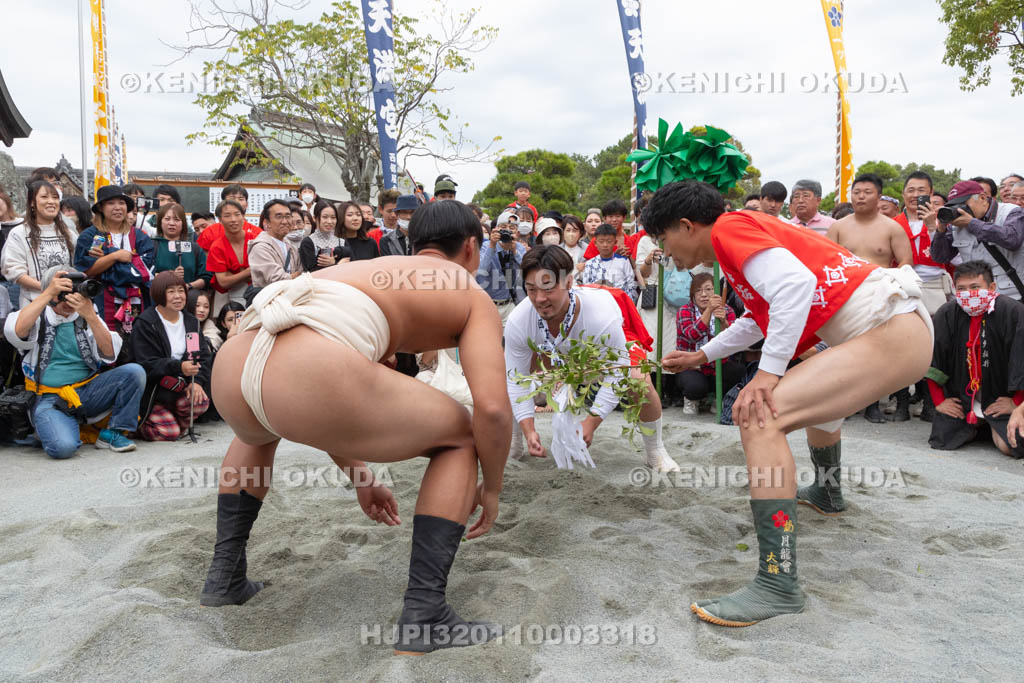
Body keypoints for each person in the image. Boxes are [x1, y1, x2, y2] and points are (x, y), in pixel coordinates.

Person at [197, 199, 512, 656]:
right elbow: (494, 410)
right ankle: (425, 615)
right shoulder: (466, 288)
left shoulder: (364, 268)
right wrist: (493, 487)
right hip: (310, 366)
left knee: (257, 434)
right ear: (470, 248)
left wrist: (361, 475)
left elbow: (308, 388)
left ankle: (223, 577)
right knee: (462, 434)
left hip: (235, 363)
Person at [649, 180, 932, 628]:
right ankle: (827, 491)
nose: (666, 254)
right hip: (895, 328)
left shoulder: (728, 230)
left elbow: (795, 287)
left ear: (685, 226)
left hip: (890, 330)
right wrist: (703, 354)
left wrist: (767, 374)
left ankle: (778, 583)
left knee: (759, 414)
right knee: (814, 397)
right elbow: (759, 319)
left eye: (663, 240)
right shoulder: (745, 231)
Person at [503, 245, 680, 472]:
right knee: (504, 371)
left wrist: (591, 423)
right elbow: (515, 379)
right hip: (554, 355)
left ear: (568, 282)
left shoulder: (600, 314)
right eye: (531, 289)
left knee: (637, 379)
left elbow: (618, 372)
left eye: (548, 288)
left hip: (603, 355)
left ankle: (655, 451)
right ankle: (516, 441)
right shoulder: (520, 319)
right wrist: (529, 430)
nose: (539, 299)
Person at [4, 266, 146, 457]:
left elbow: (110, 352)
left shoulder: (87, 314)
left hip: (88, 391)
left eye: (75, 291)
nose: (70, 297)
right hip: (49, 397)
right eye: (64, 291)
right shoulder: (37, 313)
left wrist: (90, 315)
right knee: (63, 448)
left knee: (134, 372)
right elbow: (17, 331)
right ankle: (51, 425)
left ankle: (114, 432)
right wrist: (48, 294)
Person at [827, 173, 915, 422]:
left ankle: (874, 402)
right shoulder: (839, 227)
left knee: (880, 350)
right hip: (847, 295)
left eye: (867, 192)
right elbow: (827, 262)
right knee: (849, 350)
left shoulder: (892, 227)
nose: (861, 196)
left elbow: (906, 264)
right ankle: (850, 401)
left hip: (881, 293)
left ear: (879, 196)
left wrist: (890, 286)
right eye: (856, 192)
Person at [926, 261, 1024, 457]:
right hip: (963, 397)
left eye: (975, 287)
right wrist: (939, 401)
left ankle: (991, 426)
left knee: (1013, 445)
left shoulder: (1013, 312)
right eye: (961, 289)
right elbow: (934, 359)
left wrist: (1016, 402)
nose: (969, 294)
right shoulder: (946, 313)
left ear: (992, 288)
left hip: (1001, 397)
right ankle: (980, 424)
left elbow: (1020, 359)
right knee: (942, 440)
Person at [892, 171, 954, 422]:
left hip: (935, 287)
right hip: (902, 285)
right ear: (903, 194)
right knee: (899, 344)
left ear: (930, 193)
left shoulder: (943, 220)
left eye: (922, 191)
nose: (915, 195)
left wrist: (934, 227)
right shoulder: (892, 222)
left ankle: (930, 401)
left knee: (934, 346)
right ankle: (901, 402)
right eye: (911, 190)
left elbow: (950, 256)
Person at [131, 271, 212, 441]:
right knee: (167, 433)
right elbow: (147, 363)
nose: (178, 296)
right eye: (171, 292)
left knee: (200, 401)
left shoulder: (191, 321)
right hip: (153, 392)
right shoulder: (146, 323)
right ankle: (137, 426)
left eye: (181, 291)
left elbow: (202, 356)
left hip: (179, 387)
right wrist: (179, 367)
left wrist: (196, 382)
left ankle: (173, 422)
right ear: (160, 294)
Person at [75, 185, 155, 335]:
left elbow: (143, 271)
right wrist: (115, 256)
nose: (118, 208)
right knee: (105, 344)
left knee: (136, 342)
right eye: (111, 203)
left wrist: (105, 261)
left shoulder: (140, 236)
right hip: (101, 300)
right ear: (100, 208)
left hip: (136, 300)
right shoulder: (89, 236)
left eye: (121, 203)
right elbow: (86, 271)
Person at [930, 180, 1024, 301]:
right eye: (954, 206)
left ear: (982, 197)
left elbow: (1012, 240)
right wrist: (941, 230)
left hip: (1014, 296)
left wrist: (972, 223)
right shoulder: (956, 225)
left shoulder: (1012, 212)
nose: (959, 210)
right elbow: (940, 257)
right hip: (977, 299)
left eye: (963, 204)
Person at [2, 181, 79, 310]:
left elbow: (78, 265)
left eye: (55, 198)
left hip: (66, 305)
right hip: (34, 304)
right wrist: (48, 288)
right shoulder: (19, 233)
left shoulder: (68, 233)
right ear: (32, 202)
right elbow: (14, 271)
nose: (51, 202)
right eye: (44, 197)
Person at [675, 273, 743, 414]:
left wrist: (724, 322)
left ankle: (719, 398)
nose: (704, 295)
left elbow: (733, 340)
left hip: (716, 365)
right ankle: (691, 399)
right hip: (692, 366)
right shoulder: (685, 311)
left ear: (715, 291)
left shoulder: (726, 310)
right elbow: (692, 335)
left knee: (737, 371)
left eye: (708, 289)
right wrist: (709, 311)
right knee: (695, 386)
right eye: (698, 291)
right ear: (692, 294)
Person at [477, 210, 526, 323]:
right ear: (496, 229)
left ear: (517, 233)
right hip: (488, 304)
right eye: (503, 227)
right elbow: (481, 272)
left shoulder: (519, 248)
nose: (507, 231)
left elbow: (526, 270)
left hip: (510, 304)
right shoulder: (485, 246)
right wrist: (492, 246)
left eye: (512, 228)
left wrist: (514, 252)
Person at [205, 199, 255, 310]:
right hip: (232, 295)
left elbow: (264, 270)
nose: (233, 220)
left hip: (259, 291)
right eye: (227, 216)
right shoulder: (217, 247)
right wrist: (248, 272)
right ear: (220, 220)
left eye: (237, 214)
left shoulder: (255, 238)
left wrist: (232, 275)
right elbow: (223, 282)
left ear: (243, 216)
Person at [151, 203, 211, 291]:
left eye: (176, 219)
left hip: (190, 298)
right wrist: (169, 276)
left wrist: (188, 286)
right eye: (167, 219)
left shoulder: (195, 248)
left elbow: (206, 277)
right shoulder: (151, 245)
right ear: (160, 222)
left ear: (183, 223)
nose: (171, 223)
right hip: (160, 298)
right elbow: (146, 273)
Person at [248, 199, 302, 288]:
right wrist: (297, 276)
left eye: (288, 216)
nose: (285, 221)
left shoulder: (291, 246)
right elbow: (278, 280)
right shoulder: (260, 247)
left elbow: (301, 271)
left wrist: (297, 275)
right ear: (267, 223)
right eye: (279, 216)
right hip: (270, 299)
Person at [580, 224, 638, 300]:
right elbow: (586, 286)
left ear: (615, 242)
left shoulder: (623, 261)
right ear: (595, 243)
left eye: (609, 241)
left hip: (619, 303)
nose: (605, 245)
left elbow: (631, 284)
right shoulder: (590, 264)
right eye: (601, 241)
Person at [196, 185, 261, 252]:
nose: (236, 202)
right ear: (223, 202)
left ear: (247, 204)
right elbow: (201, 257)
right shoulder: (210, 232)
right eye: (232, 198)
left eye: (241, 199)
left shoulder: (257, 233)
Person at [299, 201, 352, 272]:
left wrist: (334, 263)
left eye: (333, 217)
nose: (329, 221)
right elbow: (310, 272)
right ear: (315, 218)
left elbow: (350, 267)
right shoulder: (308, 242)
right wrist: (336, 265)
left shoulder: (342, 241)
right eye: (325, 217)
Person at [187, 288, 222, 353]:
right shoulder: (179, 323)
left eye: (206, 307)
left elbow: (214, 341)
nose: (202, 310)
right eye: (197, 305)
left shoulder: (208, 324)